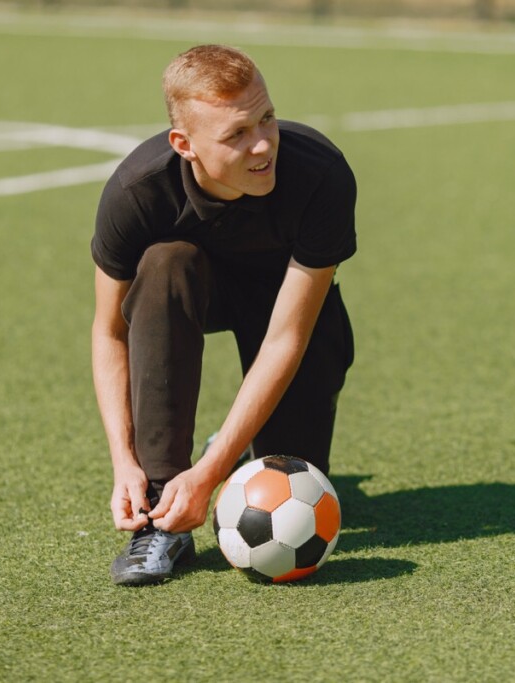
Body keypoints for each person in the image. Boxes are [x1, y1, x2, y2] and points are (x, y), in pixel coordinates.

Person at [91, 44, 356, 586]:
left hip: (284, 305)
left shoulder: (321, 175)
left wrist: (212, 475)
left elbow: (286, 336)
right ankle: (163, 516)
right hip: (190, 293)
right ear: (184, 145)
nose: (263, 145)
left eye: (267, 118)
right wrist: (126, 462)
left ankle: (223, 450)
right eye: (236, 135)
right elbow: (109, 331)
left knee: (292, 474)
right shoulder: (136, 192)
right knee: (167, 263)